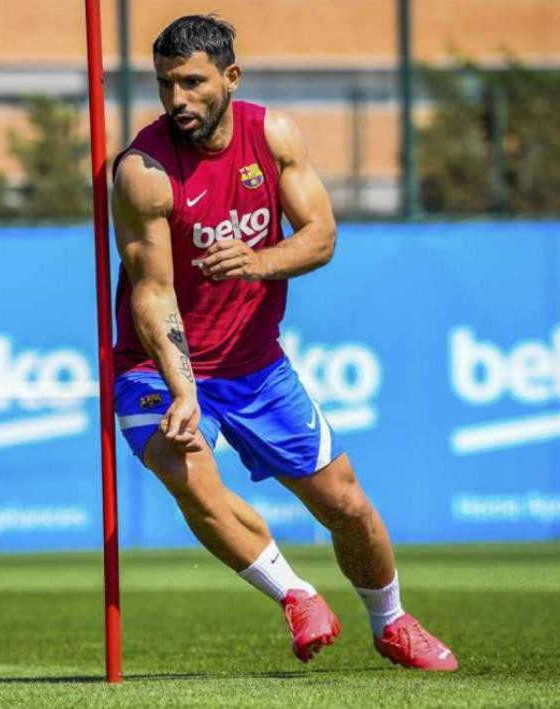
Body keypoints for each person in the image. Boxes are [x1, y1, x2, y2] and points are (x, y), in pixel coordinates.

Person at [110, 14, 458, 671]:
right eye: (164, 85)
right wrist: (183, 390)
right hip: (156, 364)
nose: (176, 99)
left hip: (254, 363)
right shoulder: (143, 170)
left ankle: (392, 622)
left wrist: (259, 262)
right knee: (188, 473)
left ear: (231, 77)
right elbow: (153, 291)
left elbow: (320, 234)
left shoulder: (272, 137)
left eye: (191, 83)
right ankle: (296, 594)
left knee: (347, 503)